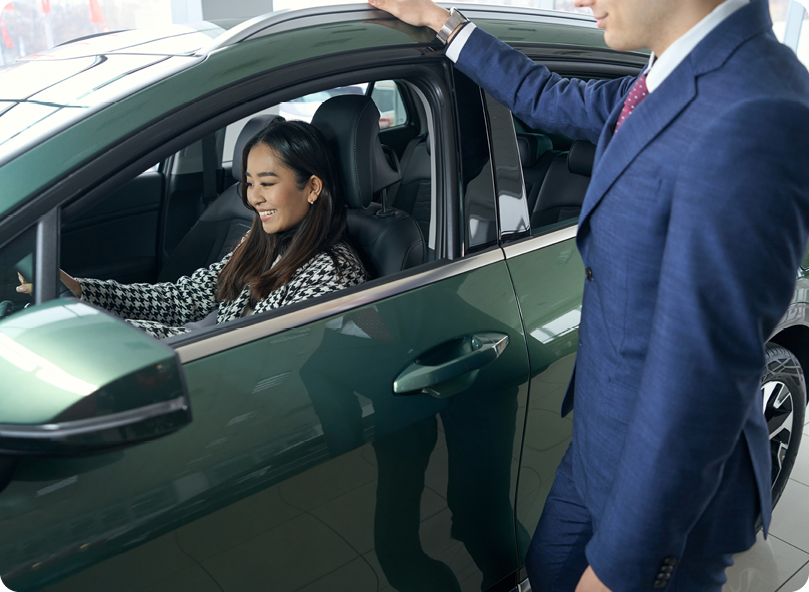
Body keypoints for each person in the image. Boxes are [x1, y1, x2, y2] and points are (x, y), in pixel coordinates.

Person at [367, 0, 809, 591]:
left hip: (664, 497)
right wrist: (443, 21)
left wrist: (617, 570)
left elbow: (703, 383)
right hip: (599, 441)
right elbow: (544, 96)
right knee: (548, 570)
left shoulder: (757, 112)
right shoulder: (669, 75)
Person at [18, 119, 367, 339]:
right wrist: (81, 292)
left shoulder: (334, 274)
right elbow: (179, 300)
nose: (254, 197)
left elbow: (252, 353)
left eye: (267, 183)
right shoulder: (262, 242)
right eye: (248, 183)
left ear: (313, 188)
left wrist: (104, 327)